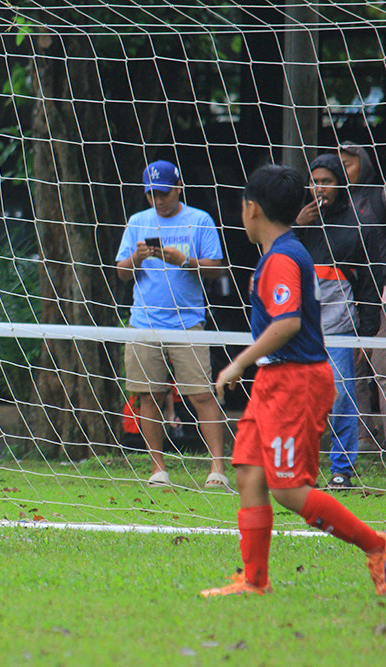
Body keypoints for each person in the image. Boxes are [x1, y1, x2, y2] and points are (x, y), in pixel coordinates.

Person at [201, 164, 386, 597]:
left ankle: (376, 546)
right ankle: (254, 581)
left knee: (288, 490)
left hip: (295, 382)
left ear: (252, 209)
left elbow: (286, 323)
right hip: (275, 380)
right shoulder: (282, 252)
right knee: (249, 474)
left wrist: (238, 363)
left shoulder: (283, 258)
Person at [114, 159, 227, 488]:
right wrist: (137, 258)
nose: (158, 200)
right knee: (148, 395)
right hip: (143, 322)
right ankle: (158, 469)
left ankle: (217, 469)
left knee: (202, 394)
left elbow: (217, 268)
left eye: (163, 193)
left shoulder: (200, 220)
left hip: (187, 323)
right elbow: (121, 272)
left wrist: (184, 260)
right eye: (152, 194)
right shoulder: (138, 221)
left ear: (179, 188)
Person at [294, 154, 380, 489]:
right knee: (300, 399)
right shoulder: (295, 224)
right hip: (299, 328)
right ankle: (301, 469)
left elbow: (370, 282)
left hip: (341, 328)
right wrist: (297, 225)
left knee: (341, 396)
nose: (319, 188)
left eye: (326, 182)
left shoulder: (357, 225)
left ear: (340, 185)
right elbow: (273, 258)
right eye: (314, 181)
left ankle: (342, 469)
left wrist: (366, 333)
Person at [337, 143, 386, 450]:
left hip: (382, 294)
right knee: (353, 365)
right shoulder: (338, 203)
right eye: (339, 164)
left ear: (364, 164)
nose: (343, 170)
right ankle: (363, 436)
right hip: (350, 294)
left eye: (348, 163)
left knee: (381, 367)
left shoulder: (379, 196)